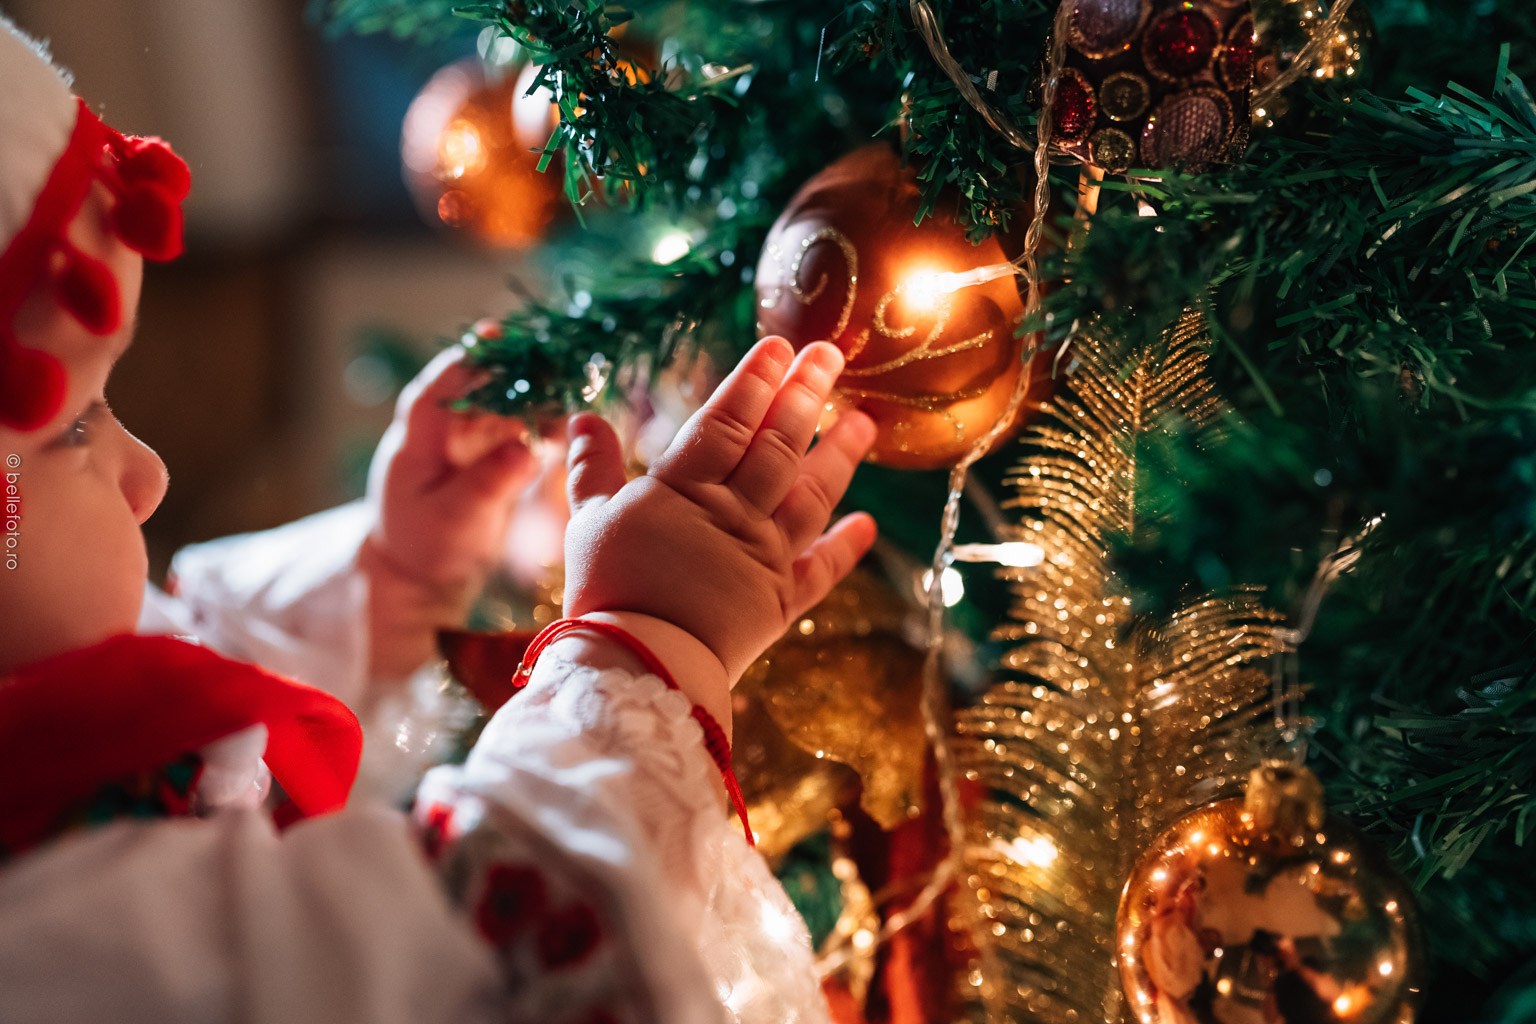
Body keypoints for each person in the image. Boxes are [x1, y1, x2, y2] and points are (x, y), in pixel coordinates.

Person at [0, 17, 878, 1024]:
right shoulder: (56, 938)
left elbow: (197, 688)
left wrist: (392, 576)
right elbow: (446, 956)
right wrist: (643, 643)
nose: (145, 474)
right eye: (72, 424)